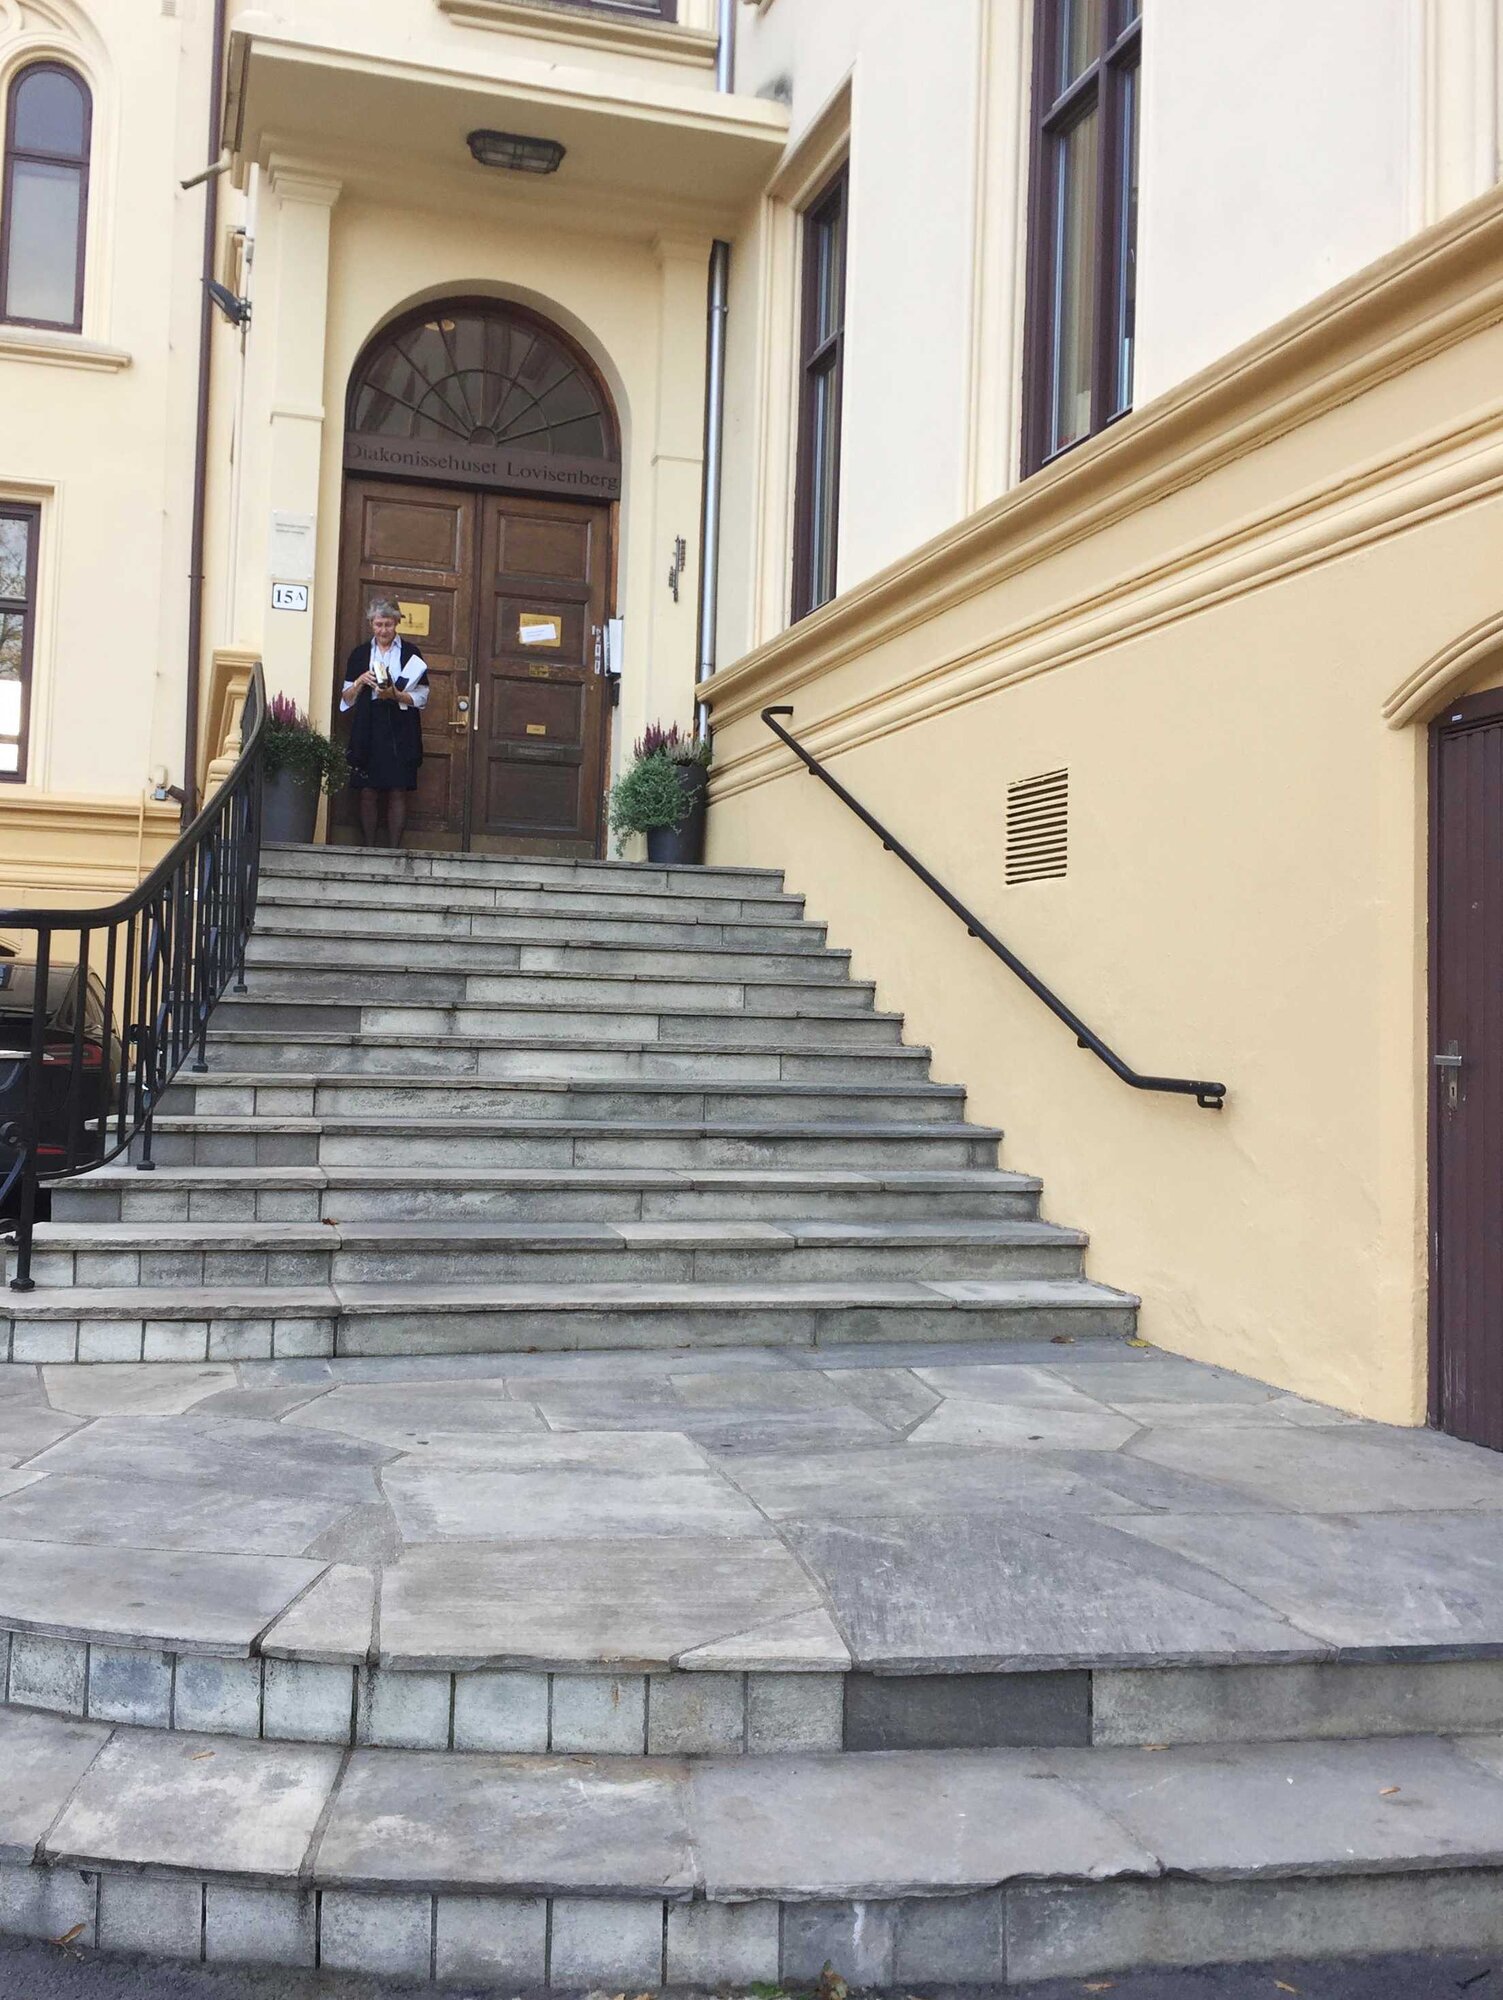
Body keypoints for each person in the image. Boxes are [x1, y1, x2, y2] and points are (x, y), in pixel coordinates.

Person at [340, 598, 429, 848]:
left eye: (388, 624)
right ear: (371, 624)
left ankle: (394, 850)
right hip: (368, 724)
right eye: (378, 624)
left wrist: (395, 695)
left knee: (398, 788)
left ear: (397, 623)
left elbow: (422, 697)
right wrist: (360, 681)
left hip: (401, 725)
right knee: (367, 790)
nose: (383, 630)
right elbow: (346, 699)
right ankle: (369, 847)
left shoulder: (411, 652)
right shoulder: (359, 654)